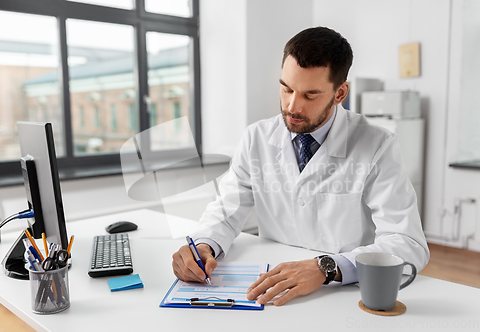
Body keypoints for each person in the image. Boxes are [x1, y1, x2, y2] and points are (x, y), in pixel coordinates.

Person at [171, 26, 430, 306]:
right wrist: (203, 245)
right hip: (274, 290)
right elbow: (227, 210)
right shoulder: (256, 138)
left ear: (340, 93)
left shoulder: (378, 145)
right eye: (286, 88)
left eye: (310, 95)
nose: (292, 106)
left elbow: (407, 243)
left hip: (343, 294)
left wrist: (326, 267)